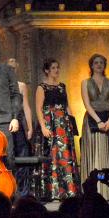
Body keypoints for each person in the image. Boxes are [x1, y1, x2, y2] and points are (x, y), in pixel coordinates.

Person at [34, 58, 79, 199]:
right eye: (53, 68)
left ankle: (68, 190)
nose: (56, 70)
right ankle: (52, 191)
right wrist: (43, 127)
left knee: (65, 156)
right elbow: (38, 108)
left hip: (63, 124)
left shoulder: (62, 86)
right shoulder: (42, 87)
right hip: (49, 124)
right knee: (52, 155)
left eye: (57, 67)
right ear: (47, 70)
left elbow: (67, 106)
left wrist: (71, 123)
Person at [80, 54, 109, 199]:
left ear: (105, 65)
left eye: (101, 62)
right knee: (95, 153)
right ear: (91, 65)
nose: (99, 65)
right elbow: (87, 104)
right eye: (96, 62)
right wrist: (98, 121)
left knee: (107, 153)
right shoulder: (85, 82)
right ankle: (94, 191)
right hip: (92, 120)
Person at [6, 58, 35, 195]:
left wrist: (30, 127)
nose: (12, 70)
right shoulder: (2, 85)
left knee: (23, 156)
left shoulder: (21, 85)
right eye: (9, 67)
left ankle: (22, 192)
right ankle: (8, 189)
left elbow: (26, 107)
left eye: (14, 67)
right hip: (6, 124)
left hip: (20, 123)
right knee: (7, 156)